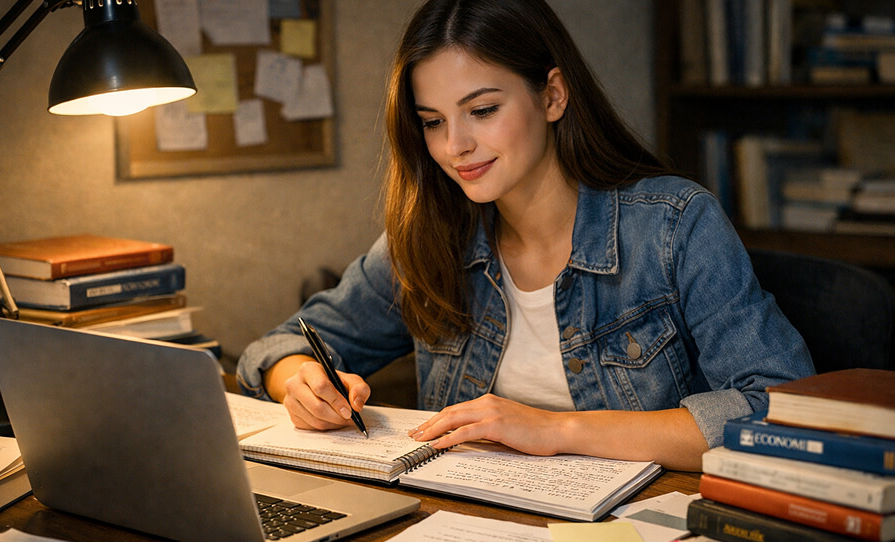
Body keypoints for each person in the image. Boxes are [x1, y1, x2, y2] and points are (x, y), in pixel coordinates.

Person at [237, 0, 814, 471]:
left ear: (553, 95)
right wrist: (301, 382)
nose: (453, 146)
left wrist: (557, 429)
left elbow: (779, 411)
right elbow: (281, 346)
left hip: (638, 538)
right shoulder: (433, 235)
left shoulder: (673, 225)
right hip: (471, 533)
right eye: (433, 121)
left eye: (482, 110)